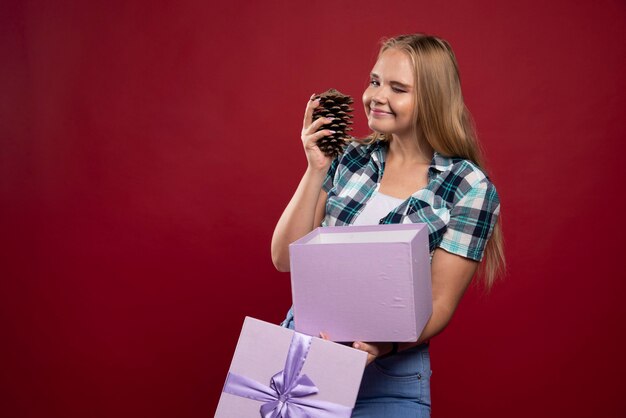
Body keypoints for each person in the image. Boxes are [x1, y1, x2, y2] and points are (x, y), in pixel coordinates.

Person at [270, 33, 505, 418]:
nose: (376, 96)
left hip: (389, 374)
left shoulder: (468, 187)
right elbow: (283, 258)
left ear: (432, 99)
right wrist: (316, 170)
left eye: (398, 88)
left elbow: (441, 302)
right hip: (307, 354)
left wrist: (385, 346)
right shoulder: (350, 159)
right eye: (375, 81)